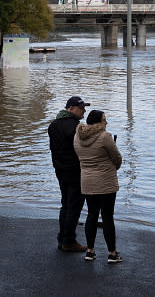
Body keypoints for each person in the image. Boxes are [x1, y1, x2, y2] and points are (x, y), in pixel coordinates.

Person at [73, 110, 123, 263]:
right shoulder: (105, 136)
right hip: (106, 182)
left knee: (91, 215)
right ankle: (112, 253)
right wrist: (113, 166)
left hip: (87, 181)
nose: (106, 123)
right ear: (97, 122)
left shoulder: (77, 136)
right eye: (104, 120)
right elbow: (117, 158)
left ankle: (90, 251)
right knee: (107, 216)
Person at [48, 96, 90, 252]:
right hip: (75, 171)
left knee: (65, 204)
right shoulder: (77, 127)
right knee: (74, 206)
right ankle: (69, 241)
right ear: (70, 108)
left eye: (84, 109)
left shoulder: (53, 125)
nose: (84, 112)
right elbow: (85, 148)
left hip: (60, 170)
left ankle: (62, 238)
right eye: (81, 109)